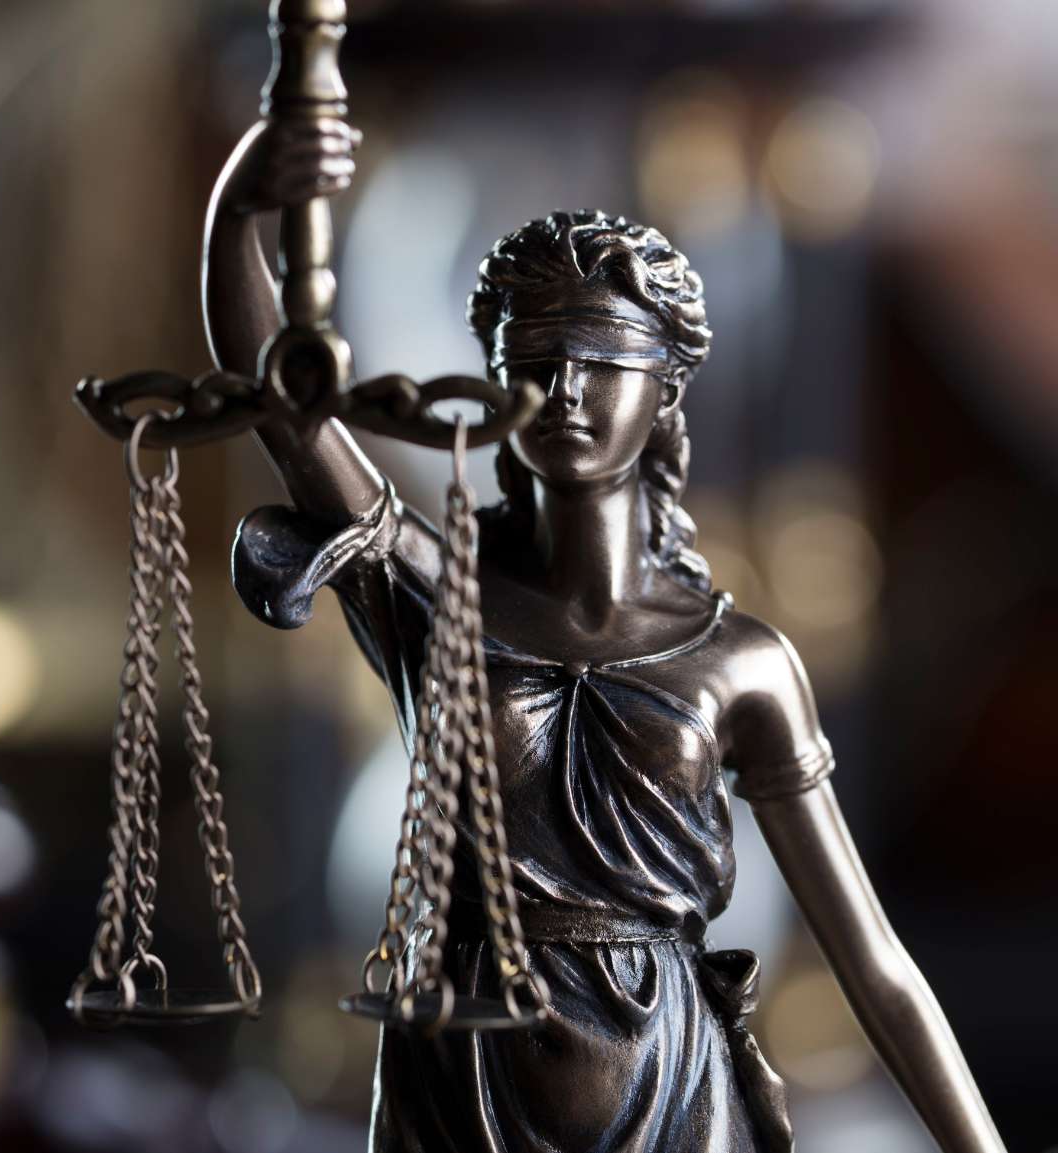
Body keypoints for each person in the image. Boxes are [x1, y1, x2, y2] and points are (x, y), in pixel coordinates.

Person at [204, 116, 1006, 1153]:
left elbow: (871, 963)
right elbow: (284, 404)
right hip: (462, 1068)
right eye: (532, 360)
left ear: (664, 385)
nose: (565, 392)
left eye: (601, 360)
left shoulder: (737, 660)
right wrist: (238, 208)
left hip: (664, 1072)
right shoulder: (430, 590)